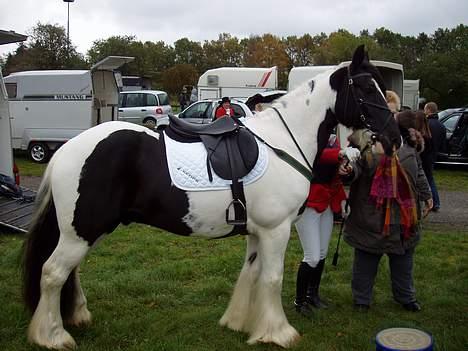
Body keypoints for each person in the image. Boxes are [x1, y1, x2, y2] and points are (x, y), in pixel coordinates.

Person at [343, 111, 433, 313]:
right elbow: (355, 167)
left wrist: (427, 196)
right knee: (365, 262)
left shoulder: (409, 145)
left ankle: (406, 297)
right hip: (371, 216)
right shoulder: (366, 144)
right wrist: (348, 171)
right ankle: (362, 300)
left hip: (403, 218)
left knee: (403, 263)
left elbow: (418, 172)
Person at [294, 135, 360, 317]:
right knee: (312, 256)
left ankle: (312, 294)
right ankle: (299, 302)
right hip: (309, 203)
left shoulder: (333, 139)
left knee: (322, 253)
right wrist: (340, 153)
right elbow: (317, 154)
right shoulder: (308, 134)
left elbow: (335, 174)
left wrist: (344, 169)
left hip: (328, 201)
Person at [422, 102, 446, 212]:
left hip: (424, 155)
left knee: (426, 179)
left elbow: (424, 141)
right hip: (433, 156)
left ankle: (434, 202)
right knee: (430, 178)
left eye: (424, 109)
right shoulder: (442, 126)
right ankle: (435, 202)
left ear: (428, 110)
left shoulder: (426, 124)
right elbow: (443, 145)